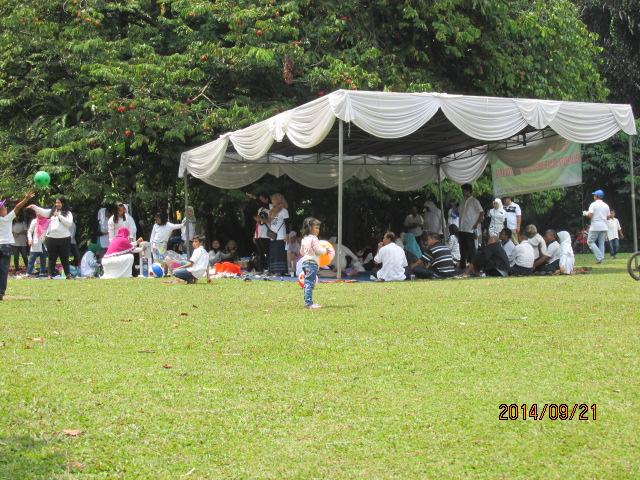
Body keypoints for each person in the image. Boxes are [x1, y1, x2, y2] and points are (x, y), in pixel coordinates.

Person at [29, 197, 74, 279]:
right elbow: (42, 211)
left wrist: (59, 215)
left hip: (64, 238)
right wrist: (34, 206)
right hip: (51, 239)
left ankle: (68, 275)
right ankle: (50, 275)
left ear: (63, 203)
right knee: (52, 258)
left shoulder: (68, 213)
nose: (57, 204)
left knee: (64, 258)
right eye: (56, 202)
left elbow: (69, 224)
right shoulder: (52, 212)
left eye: (59, 203)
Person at [0, 192, 34, 300]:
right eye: (4, 208)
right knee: (3, 270)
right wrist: (26, 199)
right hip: (5, 246)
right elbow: (17, 207)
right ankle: (0, 293)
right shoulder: (7, 219)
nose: (6, 209)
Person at [299, 217, 332, 309]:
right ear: (310, 228)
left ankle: (307, 302)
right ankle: (309, 303)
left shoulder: (304, 239)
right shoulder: (314, 238)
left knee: (308, 283)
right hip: (311, 264)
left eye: (318, 228)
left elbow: (301, 252)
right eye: (316, 228)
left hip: (305, 263)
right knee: (309, 283)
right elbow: (318, 251)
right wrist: (325, 250)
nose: (318, 230)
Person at [458, 184, 484, 269]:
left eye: (464, 190)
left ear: (468, 191)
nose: (463, 192)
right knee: (462, 248)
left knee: (471, 248)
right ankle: (462, 266)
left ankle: (473, 267)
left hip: (470, 228)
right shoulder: (462, 201)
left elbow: (481, 212)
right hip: (462, 228)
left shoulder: (474, 201)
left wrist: (476, 224)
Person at [246, 192, 271, 273]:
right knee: (260, 253)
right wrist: (254, 235)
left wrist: (259, 219)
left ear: (267, 199)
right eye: (259, 199)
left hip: (265, 234)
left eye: (261, 199)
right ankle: (261, 269)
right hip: (258, 233)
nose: (260, 201)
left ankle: (269, 269)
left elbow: (268, 221)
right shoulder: (260, 209)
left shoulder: (270, 208)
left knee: (267, 252)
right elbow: (258, 223)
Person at [583, 189, 610, 264]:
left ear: (597, 196)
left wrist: (585, 213)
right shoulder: (606, 205)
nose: (593, 196)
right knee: (601, 243)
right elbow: (608, 217)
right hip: (604, 226)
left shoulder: (593, 204)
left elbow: (590, 215)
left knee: (590, 242)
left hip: (595, 226)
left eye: (594, 195)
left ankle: (600, 257)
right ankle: (601, 260)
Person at [265, 193, 289, 276]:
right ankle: (273, 270)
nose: (272, 201)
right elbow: (269, 222)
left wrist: (287, 234)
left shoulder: (284, 211)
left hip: (281, 235)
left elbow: (287, 223)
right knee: (273, 253)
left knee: (280, 253)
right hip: (273, 235)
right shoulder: (272, 210)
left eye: (273, 200)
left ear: (278, 200)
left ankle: (281, 270)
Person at [26, 211, 49, 277]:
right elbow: (30, 231)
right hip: (35, 242)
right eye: (37, 213)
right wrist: (30, 239)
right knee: (32, 259)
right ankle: (28, 273)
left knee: (43, 259)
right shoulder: (34, 221)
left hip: (44, 243)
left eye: (39, 213)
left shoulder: (48, 221)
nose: (38, 214)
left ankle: (42, 273)